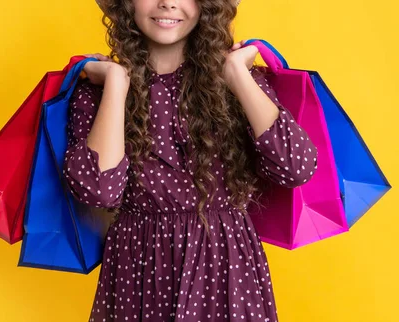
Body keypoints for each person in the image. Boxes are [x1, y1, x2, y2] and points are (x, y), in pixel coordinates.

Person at [62, 0, 318, 321]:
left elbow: (295, 166)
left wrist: (237, 73)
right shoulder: (96, 93)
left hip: (225, 267)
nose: (168, 2)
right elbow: (100, 190)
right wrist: (116, 82)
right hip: (140, 270)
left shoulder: (240, 83)